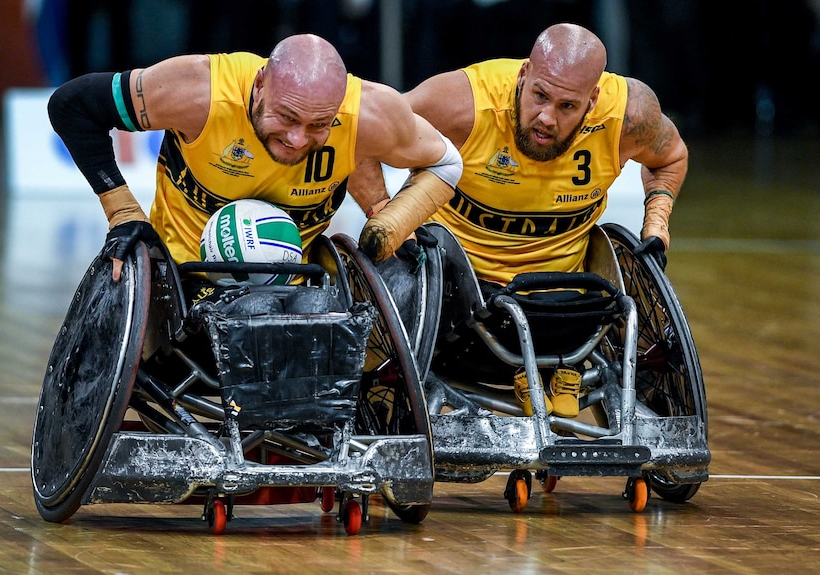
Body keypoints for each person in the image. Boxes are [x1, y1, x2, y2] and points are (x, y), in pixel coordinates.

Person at [350, 23, 688, 417]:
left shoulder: (630, 115)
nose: (547, 118)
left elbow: (671, 156)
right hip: (456, 305)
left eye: (567, 107)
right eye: (539, 96)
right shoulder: (463, 103)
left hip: (564, 309)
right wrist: (381, 210)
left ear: (592, 100)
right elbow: (357, 133)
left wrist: (657, 223)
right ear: (524, 74)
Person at [47, 33, 461, 290]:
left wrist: (390, 218)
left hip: (300, 287)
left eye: (319, 124)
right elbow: (72, 105)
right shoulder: (200, 90)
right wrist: (123, 213)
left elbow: (446, 162)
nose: (298, 138)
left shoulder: (370, 114)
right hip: (179, 277)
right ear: (260, 84)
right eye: (287, 117)